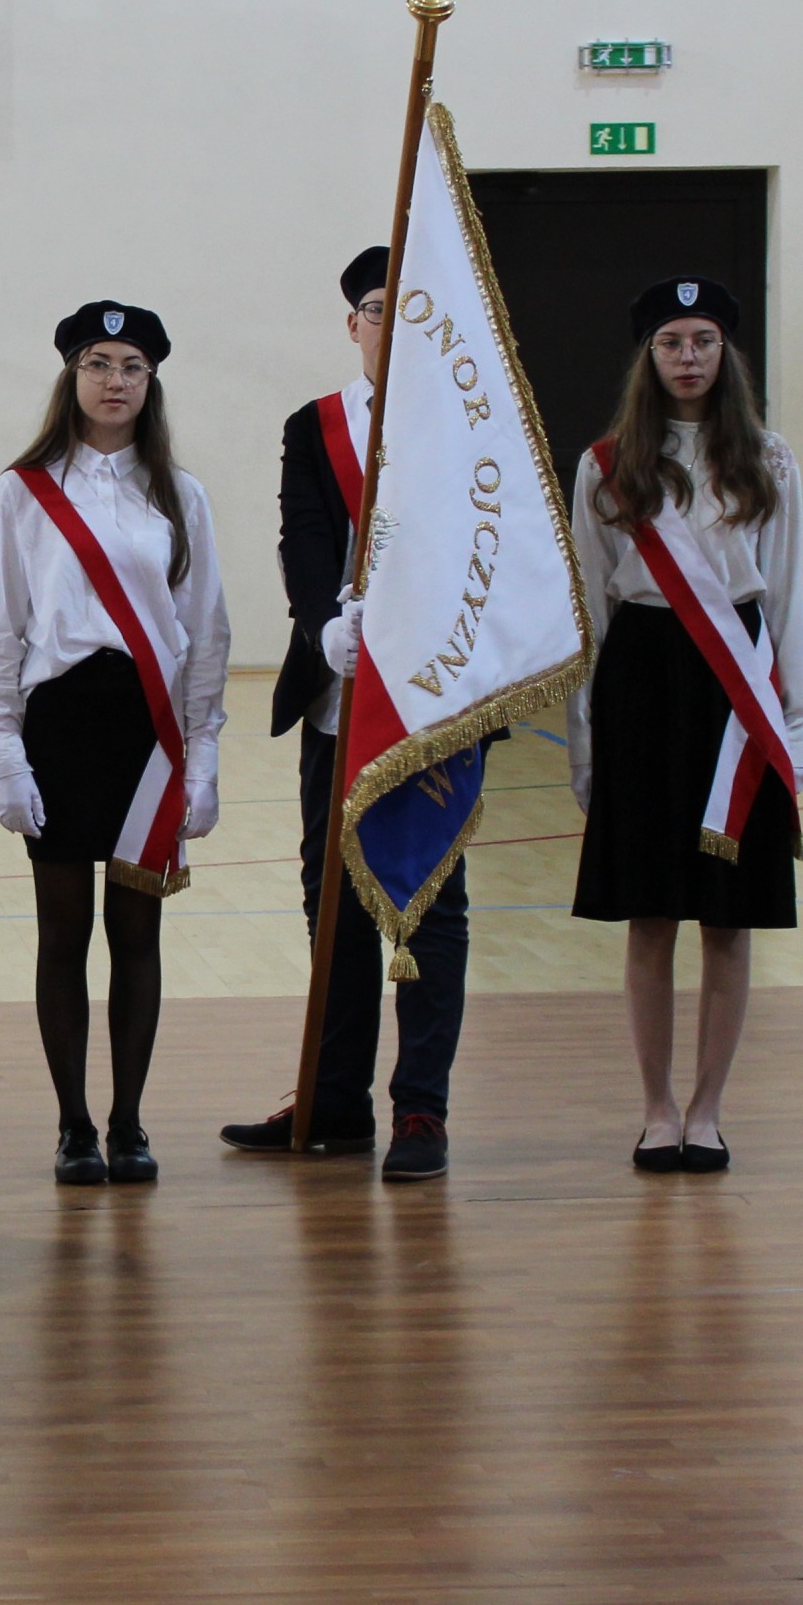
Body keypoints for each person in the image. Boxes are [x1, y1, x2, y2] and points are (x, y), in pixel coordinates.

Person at [220, 244, 476, 1180]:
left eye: (406, 307)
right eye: (375, 307)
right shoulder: (316, 425)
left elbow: (484, 553)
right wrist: (324, 625)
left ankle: (421, 1111)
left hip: (432, 704)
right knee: (331, 903)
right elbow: (303, 536)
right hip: (339, 695)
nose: (388, 322)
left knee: (428, 905)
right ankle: (335, 1098)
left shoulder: (468, 426)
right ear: (352, 323)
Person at [0, 302, 229, 1185]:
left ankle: (129, 1123)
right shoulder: (24, 490)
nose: (115, 381)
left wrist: (204, 759)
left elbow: (206, 634)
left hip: (147, 729)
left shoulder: (180, 494)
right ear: (71, 375)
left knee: (137, 933)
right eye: (98, 363)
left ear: (152, 382)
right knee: (63, 934)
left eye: (132, 367)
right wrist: (5, 750)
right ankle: (74, 1126)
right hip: (60, 722)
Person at [564, 278, 803, 1178]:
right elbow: (588, 612)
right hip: (642, 679)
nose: (689, 358)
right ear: (649, 356)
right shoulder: (606, 465)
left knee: (729, 918)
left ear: (725, 353)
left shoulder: (769, 461)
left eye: (704, 340)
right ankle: (657, 1108)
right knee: (651, 912)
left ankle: (708, 1109)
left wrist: (793, 728)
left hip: (735, 689)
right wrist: (585, 745)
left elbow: (787, 598)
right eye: (672, 342)